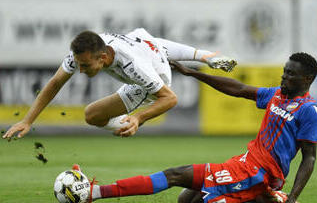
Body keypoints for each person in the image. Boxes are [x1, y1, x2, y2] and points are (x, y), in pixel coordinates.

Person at [73, 52, 317, 203]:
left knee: (175, 175)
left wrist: (292, 198)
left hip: (258, 172)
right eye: (284, 72)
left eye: (291, 74)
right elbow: (237, 88)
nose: (284, 78)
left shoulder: (309, 111)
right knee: (187, 199)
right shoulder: (277, 95)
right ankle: (260, 195)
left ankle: (94, 192)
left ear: (307, 79)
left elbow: (309, 158)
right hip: (245, 163)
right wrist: (193, 74)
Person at [2, 28, 237, 139]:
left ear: (102, 58)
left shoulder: (134, 66)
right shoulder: (86, 50)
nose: (80, 71)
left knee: (91, 115)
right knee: (94, 115)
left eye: (85, 66)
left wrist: (139, 118)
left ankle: (128, 124)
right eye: (79, 65)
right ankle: (125, 124)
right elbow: (55, 83)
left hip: (156, 79)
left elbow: (170, 98)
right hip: (148, 49)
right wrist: (27, 120)